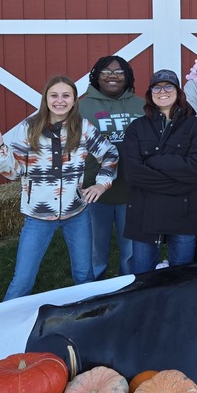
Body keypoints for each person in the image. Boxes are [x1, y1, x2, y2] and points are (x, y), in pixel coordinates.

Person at [0, 75, 119, 300]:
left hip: (77, 213)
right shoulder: (29, 128)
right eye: (54, 95)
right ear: (45, 99)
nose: (59, 100)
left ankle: (87, 317)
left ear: (74, 100)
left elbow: (110, 153)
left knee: (84, 275)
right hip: (38, 216)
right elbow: (13, 172)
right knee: (23, 279)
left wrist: (101, 185)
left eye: (66, 96)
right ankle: (2, 324)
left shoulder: (82, 127)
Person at [122, 69, 197, 272]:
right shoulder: (137, 128)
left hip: (183, 213)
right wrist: (178, 182)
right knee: (143, 275)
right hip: (145, 211)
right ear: (150, 93)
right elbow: (133, 174)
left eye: (168, 86)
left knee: (181, 274)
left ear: (178, 92)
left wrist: (153, 161)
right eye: (157, 87)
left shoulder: (194, 126)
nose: (163, 91)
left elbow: (195, 169)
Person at [79, 55, 145, 277]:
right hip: (94, 192)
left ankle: (126, 288)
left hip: (131, 191)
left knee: (130, 251)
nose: (113, 77)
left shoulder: (141, 105)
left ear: (127, 77)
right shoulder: (81, 107)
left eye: (119, 72)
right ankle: (94, 292)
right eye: (106, 72)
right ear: (96, 76)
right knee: (96, 250)